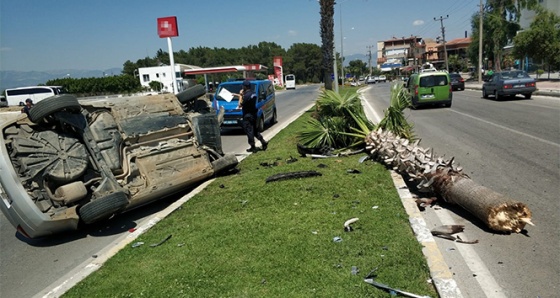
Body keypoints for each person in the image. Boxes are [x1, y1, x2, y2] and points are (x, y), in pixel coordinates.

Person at [236, 80, 268, 153]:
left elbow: (240, 104)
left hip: (247, 116)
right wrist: (239, 95)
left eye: (243, 86)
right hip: (253, 115)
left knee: (249, 131)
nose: (242, 87)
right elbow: (247, 100)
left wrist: (240, 96)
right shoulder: (253, 94)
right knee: (255, 130)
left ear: (245, 87)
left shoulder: (246, 96)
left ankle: (253, 147)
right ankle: (263, 142)